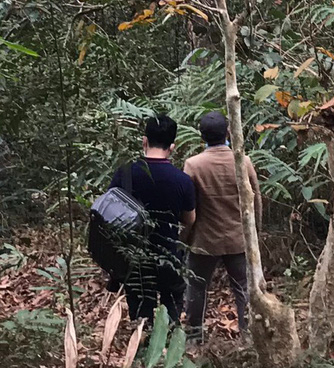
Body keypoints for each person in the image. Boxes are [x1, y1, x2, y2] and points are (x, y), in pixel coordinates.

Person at [109, 113, 195, 323]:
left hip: (134, 257)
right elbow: (190, 220)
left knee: (140, 318)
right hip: (169, 256)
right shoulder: (182, 180)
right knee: (172, 315)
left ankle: (140, 350)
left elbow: (109, 211)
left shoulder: (126, 172)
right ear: (172, 147)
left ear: (144, 141)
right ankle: (171, 350)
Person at [182, 110, 260, 339]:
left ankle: (195, 336)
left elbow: (188, 207)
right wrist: (255, 233)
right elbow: (256, 199)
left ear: (201, 136)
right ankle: (248, 337)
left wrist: (184, 237)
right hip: (239, 237)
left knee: (197, 287)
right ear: (228, 132)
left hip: (205, 240)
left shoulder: (193, 165)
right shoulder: (243, 161)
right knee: (243, 288)